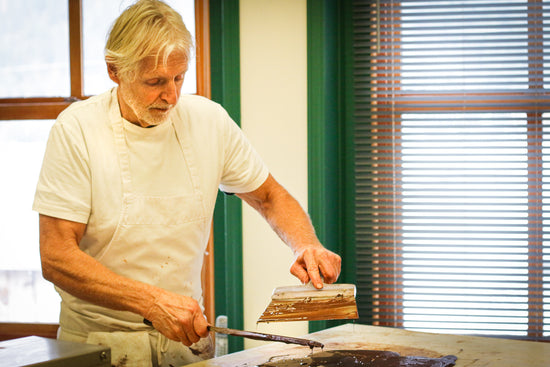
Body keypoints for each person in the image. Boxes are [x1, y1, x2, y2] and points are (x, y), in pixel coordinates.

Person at [33, 0, 341, 366]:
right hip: (98, 345)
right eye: (156, 82)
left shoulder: (208, 121)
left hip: (185, 345)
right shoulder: (77, 130)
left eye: (180, 77)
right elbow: (56, 257)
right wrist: (150, 301)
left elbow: (269, 196)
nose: (172, 95)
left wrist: (305, 244)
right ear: (115, 70)